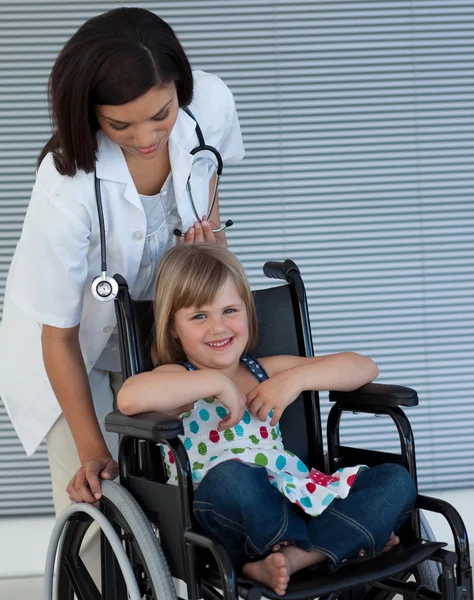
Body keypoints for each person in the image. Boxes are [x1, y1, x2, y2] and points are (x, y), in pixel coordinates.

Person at [0, 6, 244, 579]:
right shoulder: (65, 184)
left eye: (161, 114)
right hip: (70, 350)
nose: (146, 137)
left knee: (180, 488)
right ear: (90, 115)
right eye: (120, 125)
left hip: (157, 326)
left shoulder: (208, 103)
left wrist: (205, 245)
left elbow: (209, 177)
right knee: (100, 504)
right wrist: (92, 452)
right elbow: (57, 336)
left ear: (179, 86)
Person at [117, 243, 417, 596]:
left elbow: (364, 366)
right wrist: (215, 383)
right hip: (226, 511)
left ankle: (296, 558)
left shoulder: (265, 372)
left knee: (395, 481)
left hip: (296, 496)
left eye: (229, 310)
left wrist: (295, 380)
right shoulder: (176, 377)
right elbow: (129, 397)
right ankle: (344, 539)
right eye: (199, 316)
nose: (218, 327)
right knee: (235, 477)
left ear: (248, 312)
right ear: (172, 329)